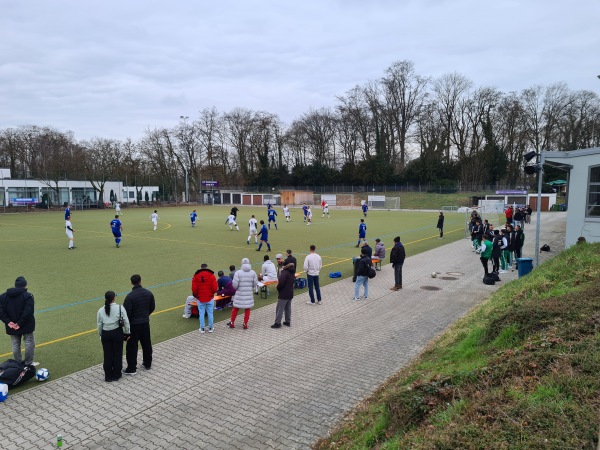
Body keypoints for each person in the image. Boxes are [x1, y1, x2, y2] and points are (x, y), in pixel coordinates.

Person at [0, 276, 36, 367]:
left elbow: (1, 311)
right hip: (26, 324)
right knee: (29, 342)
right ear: (25, 285)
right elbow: (28, 311)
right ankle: (28, 363)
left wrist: (8, 322)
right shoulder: (28, 296)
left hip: (11, 325)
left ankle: (18, 364)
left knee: (15, 344)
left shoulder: (3, 296)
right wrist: (19, 323)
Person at [123, 274, 155, 374]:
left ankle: (132, 368)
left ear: (131, 283)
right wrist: (145, 315)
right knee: (146, 343)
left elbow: (126, 313)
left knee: (132, 347)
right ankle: (147, 363)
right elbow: (152, 307)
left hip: (133, 325)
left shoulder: (129, 297)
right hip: (145, 323)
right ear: (140, 281)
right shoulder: (148, 293)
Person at [97, 290, 130, 382]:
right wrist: (127, 333)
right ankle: (117, 374)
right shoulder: (120, 308)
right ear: (114, 298)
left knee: (107, 355)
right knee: (117, 354)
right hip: (117, 333)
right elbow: (126, 322)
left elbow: (99, 325)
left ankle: (108, 376)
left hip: (105, 334)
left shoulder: (100, 310)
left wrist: (101, 334)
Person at [229, 258, 258, 329]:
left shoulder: (238, 273)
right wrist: (250, 287)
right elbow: (255, 283)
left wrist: (238, 288)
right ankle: (245, 324)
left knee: (236, 308)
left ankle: (232, 322)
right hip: (248, 293)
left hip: (239, 293)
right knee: (247, 309)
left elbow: (234, 285)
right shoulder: (253, 272)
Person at [191, 263, 218, 334]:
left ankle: (202, 328)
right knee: (210, 313)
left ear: (201, 268)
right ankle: (211, 328)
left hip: (200, 298)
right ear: (207, 267)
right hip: (209, 297)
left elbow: (194, 289)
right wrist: (211, 294)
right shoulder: (212, 276)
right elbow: (215, 288)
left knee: (201, 314)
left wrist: (197, 295)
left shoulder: (196, 276)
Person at [271, 260, 296, 328]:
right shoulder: (292, 271)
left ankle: (277, 323)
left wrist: (278, 287)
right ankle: (287, 321)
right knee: (288, 308)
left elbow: (281, 282)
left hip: (283, 293)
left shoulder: (284, 272)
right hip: (290, 292)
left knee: (280, 308)